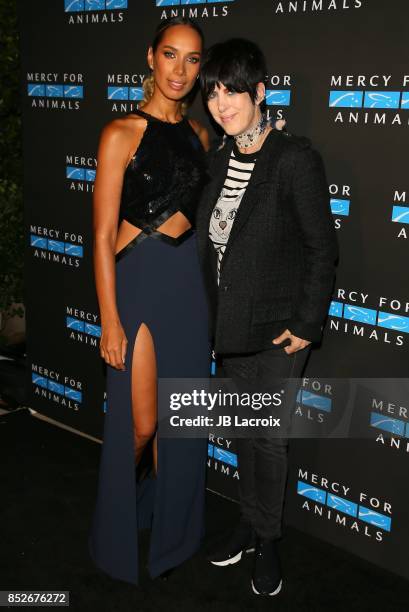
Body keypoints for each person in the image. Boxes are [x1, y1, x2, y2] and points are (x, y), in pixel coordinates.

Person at [197, 39, 338, 596]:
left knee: (269, 441)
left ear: (260, 92)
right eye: (213, 92)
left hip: (279, 334)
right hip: (229, 328)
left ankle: (270, 541)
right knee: (242, 434)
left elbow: (320, 249)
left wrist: (306, 324)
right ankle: (248, 526)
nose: (222, 103)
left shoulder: (294, 159)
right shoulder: (215, 158)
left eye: (233, 90)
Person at [88, 17, 211, 585]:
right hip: (137, 283)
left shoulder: (200, 136)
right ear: (150, 58)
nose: (180, 70)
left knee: (179, 428)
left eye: (191, 60)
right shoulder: (119, 132)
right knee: (140, 425)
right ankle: (116, 529)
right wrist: (109, 319)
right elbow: (101, 235)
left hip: (187, 286)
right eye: (170, 55)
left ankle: (172, 536)